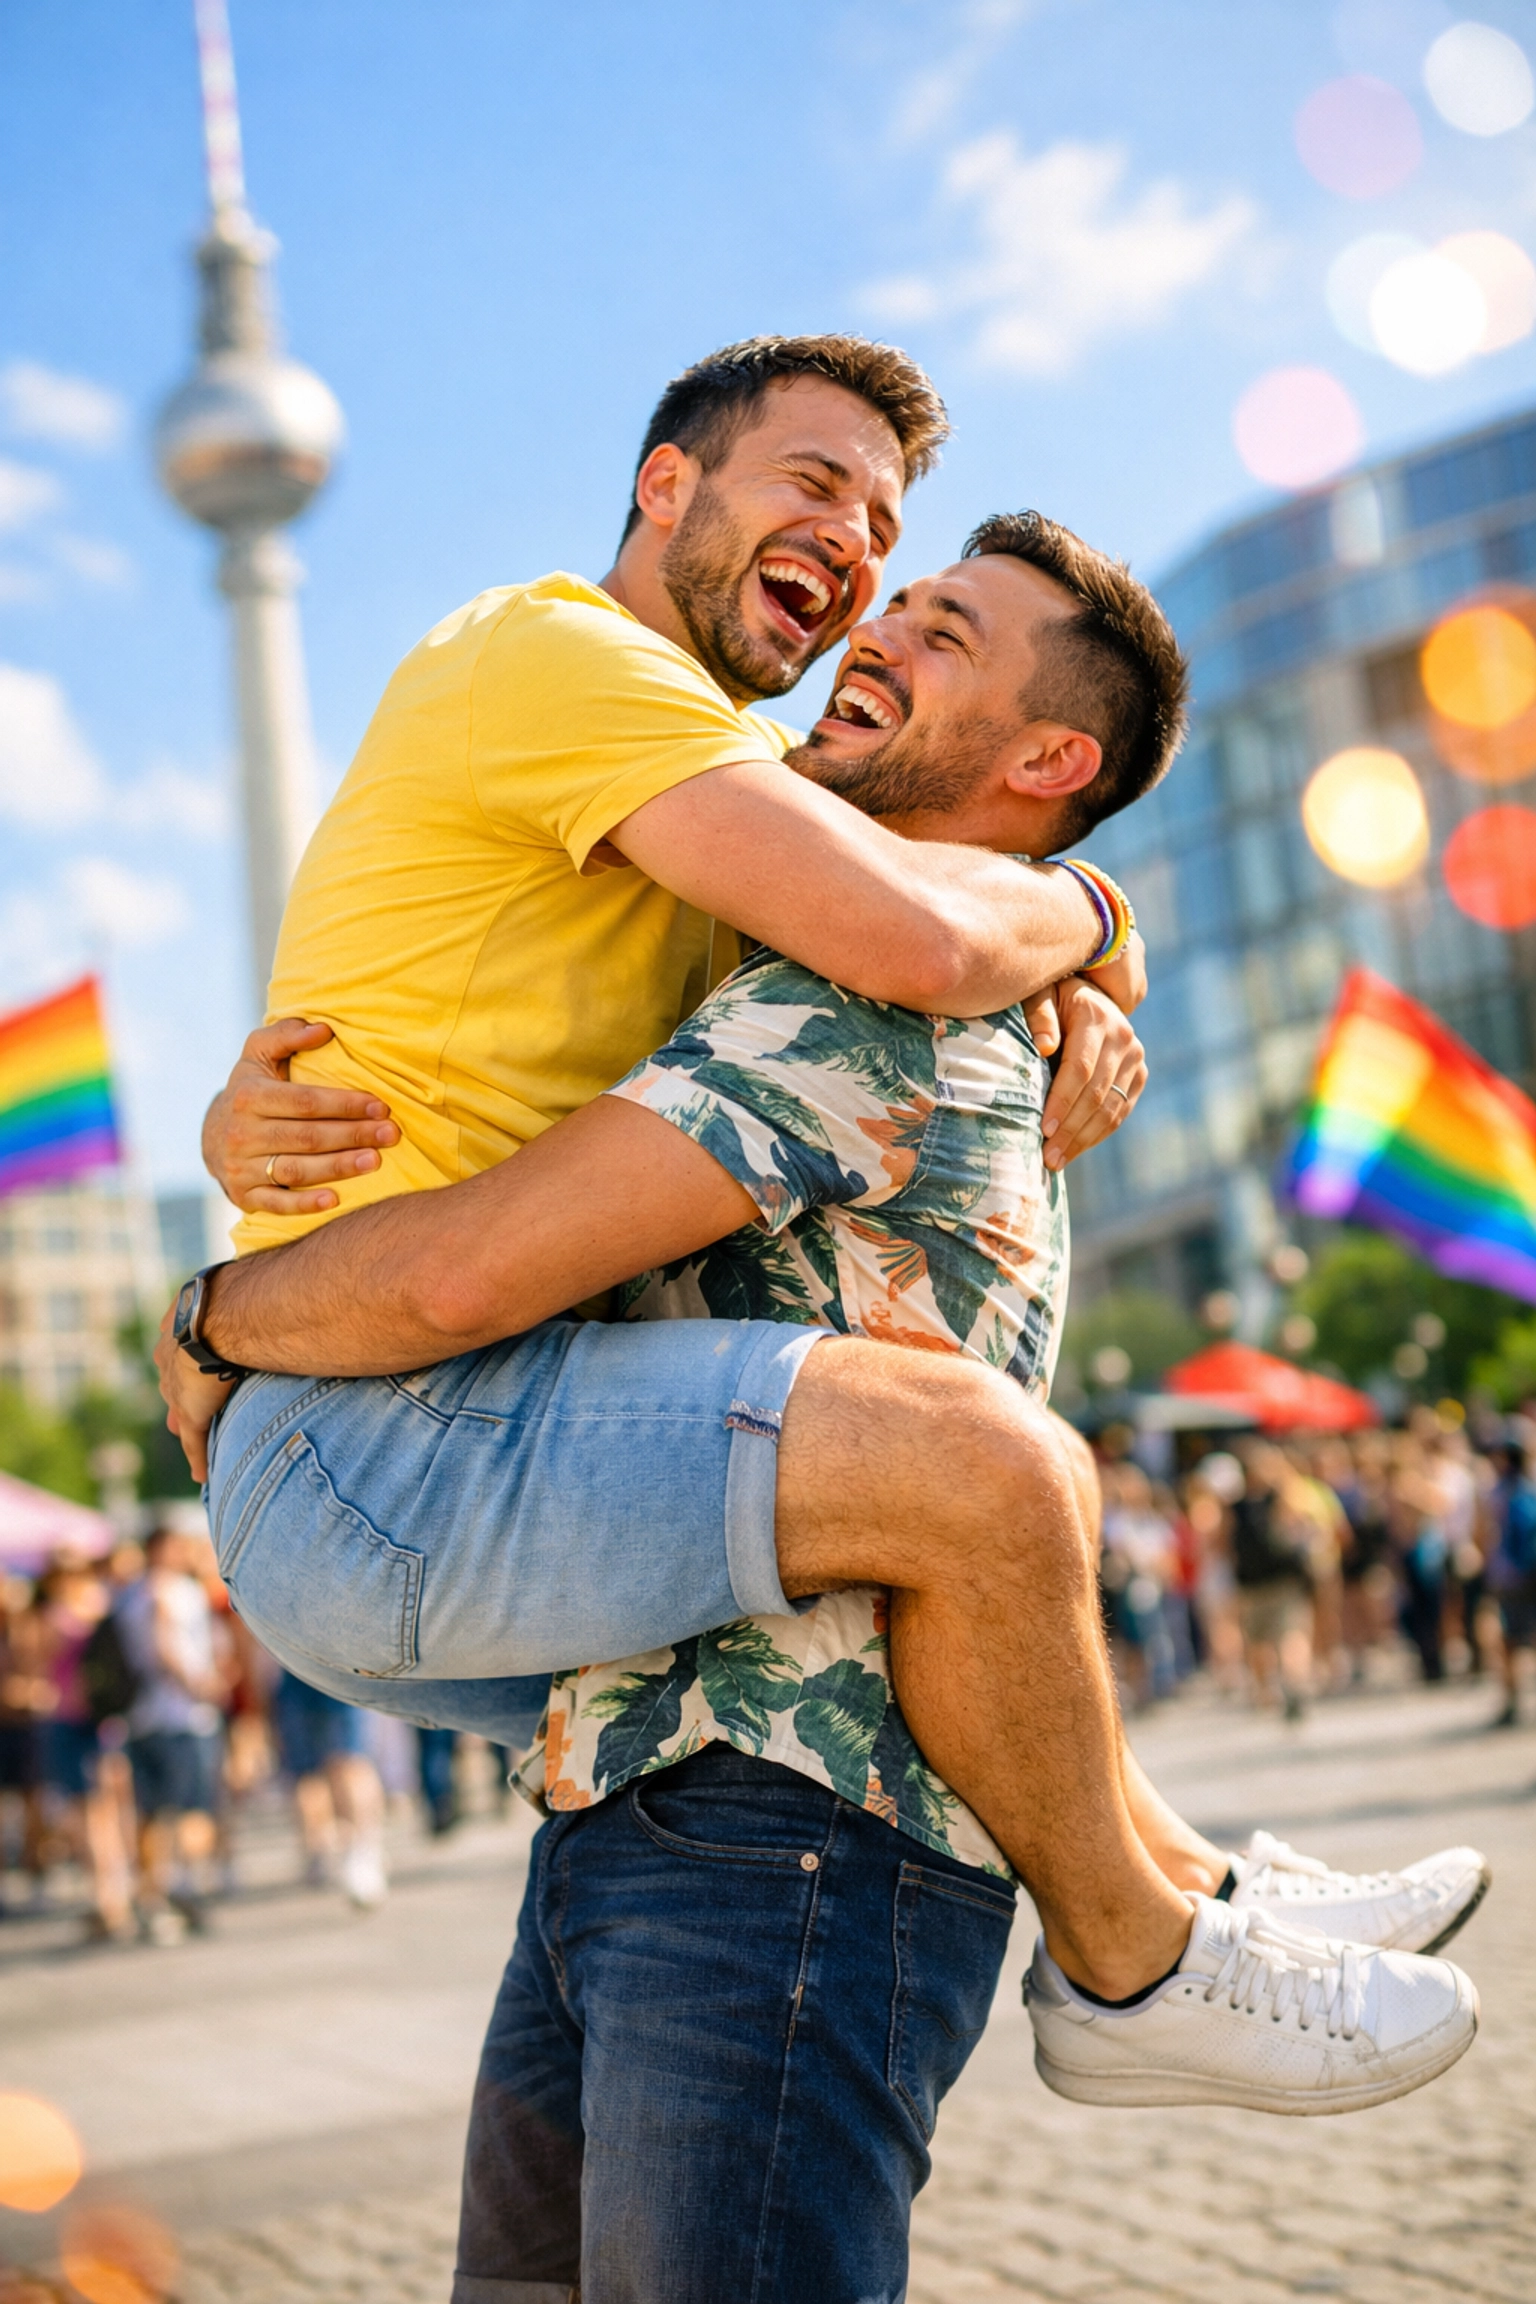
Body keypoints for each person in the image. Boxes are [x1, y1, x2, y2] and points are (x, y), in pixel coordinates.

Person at [165, 508, 1484, 2188]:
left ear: (1047, 750)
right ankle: (1140, 1948)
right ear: (663, 482)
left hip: (720, 1775)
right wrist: (221, 1292)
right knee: (989, 1464)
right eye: (901, 601)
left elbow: (901, 923)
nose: (879, 621)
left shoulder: (876, 961)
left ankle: (1181, 1891)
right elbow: (467, 1177)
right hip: (763, 1792)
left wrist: (1066, 918)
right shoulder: (832, 966)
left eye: (942, 628)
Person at [116, 1527, 229, 1944]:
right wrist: (199, 1683)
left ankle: (152, 1894)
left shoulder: (128, 1594)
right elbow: (165, 1645)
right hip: (181, 1716)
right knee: (190, 1806)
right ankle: (180, 1885)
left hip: (140, 1717)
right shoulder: (171, 1591)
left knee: (151, 1812)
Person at [270, 1668, 388, 1905]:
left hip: (338, 1671)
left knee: (348, 1762)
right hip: (295, 1674)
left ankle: (363, 1848)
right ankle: (320, 1849)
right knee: (307, 1774)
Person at [1485, 1433, 1536, 1727]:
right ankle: (1511, 1698)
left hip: (1511, 1578)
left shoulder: (1503, 1493)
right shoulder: (1527, 1489)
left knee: (1509, 1641)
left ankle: (1511, 1699)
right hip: (1522, 1576)